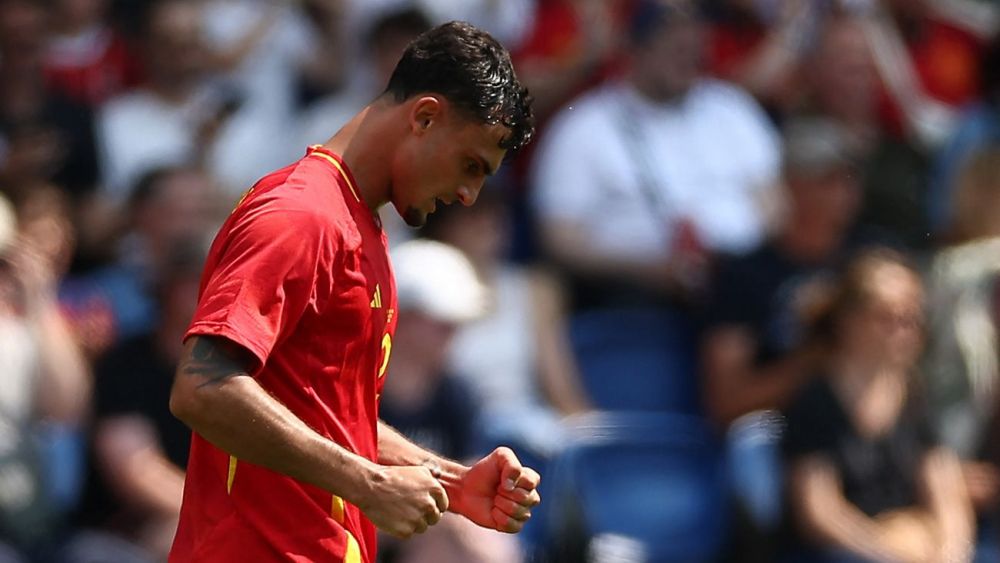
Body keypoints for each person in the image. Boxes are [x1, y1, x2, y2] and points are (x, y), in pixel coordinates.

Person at [167, 21, 539, 563]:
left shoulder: (362, 227)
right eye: (470, 165)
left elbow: (331, 417)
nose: (468, 194)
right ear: (425, 117)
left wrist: (450, 483)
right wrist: (368, 483)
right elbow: (202, 388)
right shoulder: (300, 215)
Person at [782, 249, 975, 563]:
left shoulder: (914, 394)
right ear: (848, 321)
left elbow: (944, 489)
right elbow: (819, 512)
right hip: (848, 551)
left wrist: (951, 553)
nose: (904, 331)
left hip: (916, 541)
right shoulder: (814, 399)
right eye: (887, 318)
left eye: (911, 319)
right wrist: (890, 552)